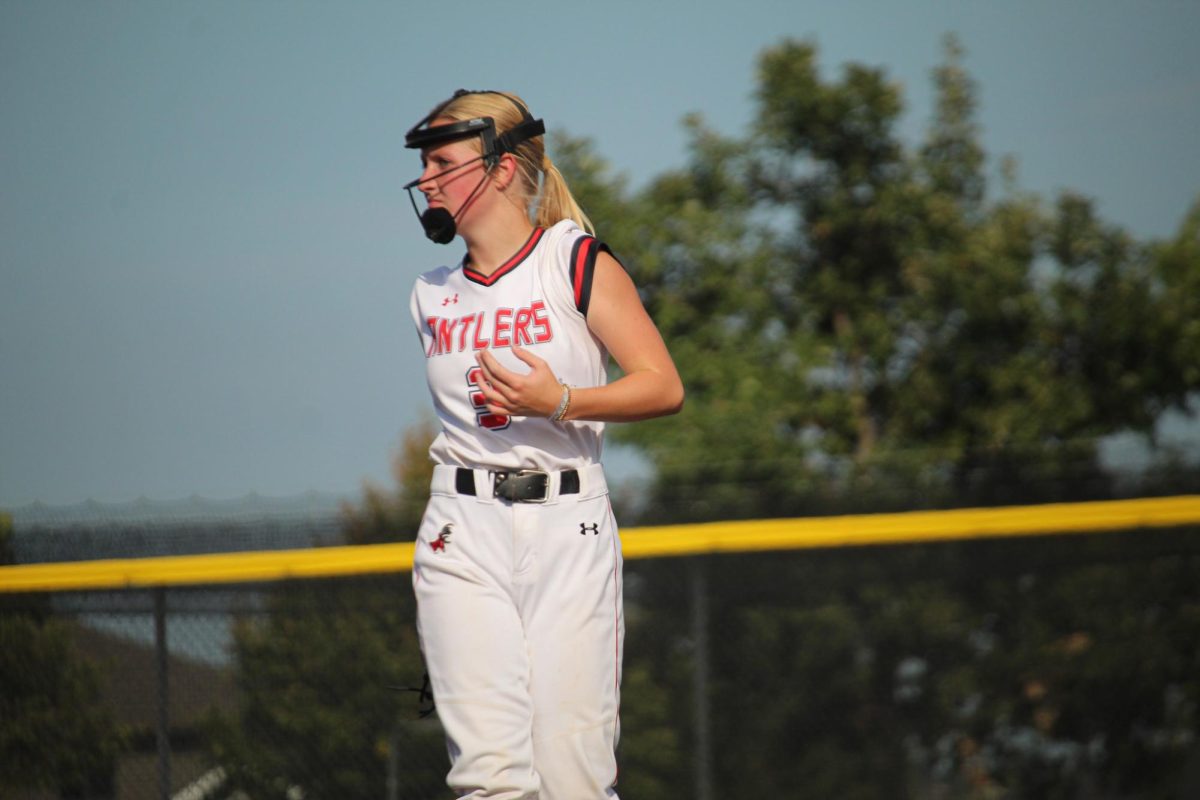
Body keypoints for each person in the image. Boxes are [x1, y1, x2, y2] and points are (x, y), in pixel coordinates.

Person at [402, 88, 684, 799]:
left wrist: (559, 401)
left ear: (500, 167)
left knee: (574, 782)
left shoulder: (573, 260)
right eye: (424, 164)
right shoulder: (429, 294)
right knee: (489, 779)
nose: (426, 178)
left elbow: (662, 385)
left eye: (443, 161)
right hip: (462, 529)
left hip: (567, 521)